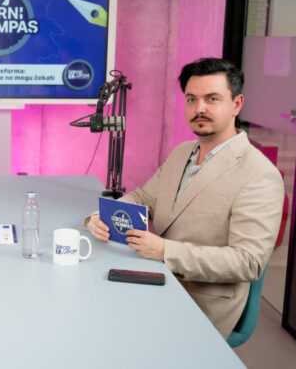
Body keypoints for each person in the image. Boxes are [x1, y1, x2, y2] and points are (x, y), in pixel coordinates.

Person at [85, 58, 284, 338]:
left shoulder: (260, 174)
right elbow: (144, 198)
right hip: (157, 279)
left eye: (212, 99)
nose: (199, 108)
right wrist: (101, 217)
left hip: (201, 302)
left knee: (105, 328)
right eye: (192, 99)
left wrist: (165, 251)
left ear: (236, 104)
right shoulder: (183, 152)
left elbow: (248, 262)